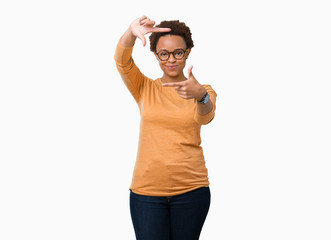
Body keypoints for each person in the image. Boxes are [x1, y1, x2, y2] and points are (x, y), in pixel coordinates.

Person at [114, 16, 217, 240]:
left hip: (192, 190)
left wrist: (200, 96)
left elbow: (206, 116)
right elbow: (122, 62)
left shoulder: (203, 89)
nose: (171, 59)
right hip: (146, 193)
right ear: (156, 55)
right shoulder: (144, 87)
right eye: (164, 54)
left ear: (187, 52)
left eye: (178, 52)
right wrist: (130, 33)